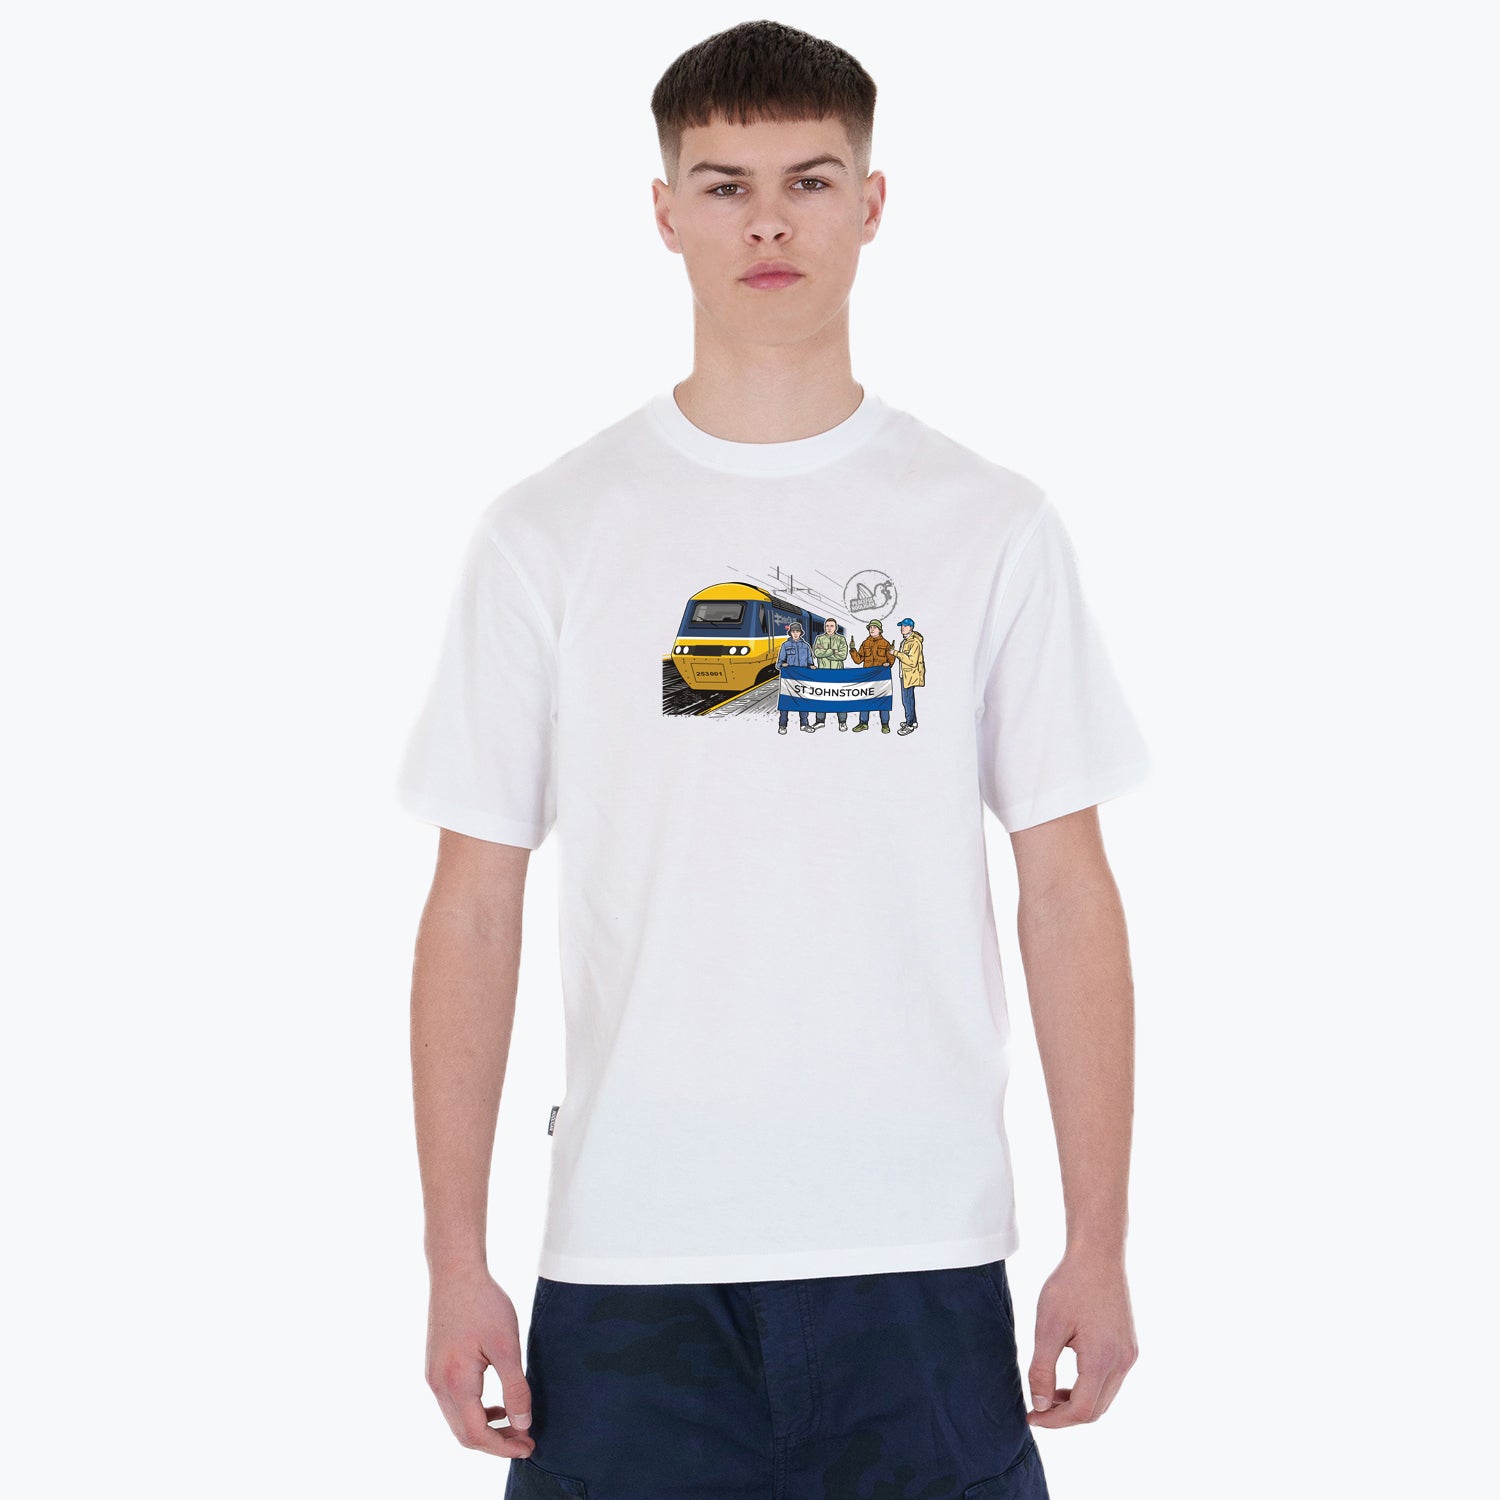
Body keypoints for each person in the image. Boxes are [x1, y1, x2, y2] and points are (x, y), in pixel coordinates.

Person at [396, 20, 1149, 1499]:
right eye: (724, 184)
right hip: (631, 1265)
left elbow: (1066, 892)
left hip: (921, 1252)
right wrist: (452, 1260)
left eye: (808, 181)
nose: (768, 223)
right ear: (663, 211)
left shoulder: (988, 523)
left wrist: (1101, 1244)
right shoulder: (550, 532)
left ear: (871, 203)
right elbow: (473, 905)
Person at [847, 616, 896, 732]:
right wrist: (853, 650)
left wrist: (889, 662)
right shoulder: (865, 643)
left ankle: (885, 724)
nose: (872, 629)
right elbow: (858, 660)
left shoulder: (886, 644)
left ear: (880, 630)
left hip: (881, 677)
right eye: (870, 627)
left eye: (874, 627)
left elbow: (890, 660)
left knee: (883, 699)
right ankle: (863, 723)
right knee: (865, 699)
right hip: (868, 677)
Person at [775, 619, 816, 734]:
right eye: (793, 631)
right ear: (790, 633)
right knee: (786, 703)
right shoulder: (785, 645)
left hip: (802, 680)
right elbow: (778, 664)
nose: (795, 633)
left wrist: (811, 666)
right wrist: (782, 664)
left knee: (803, 701)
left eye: (797, 631)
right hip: (788, 680)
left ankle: (804, 724)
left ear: (800, 633)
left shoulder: (806, 646)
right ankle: (782, 725)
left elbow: (810, 662)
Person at [894, 615, 925, 734]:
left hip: (910, 676)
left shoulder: (915, 642)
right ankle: (913, 721)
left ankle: (909, 725)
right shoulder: (905, 641)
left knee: (907, 701)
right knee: (909, 699)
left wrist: (896, 653)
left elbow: (912, 661)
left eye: (905, 626)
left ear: (911, 627)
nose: (902, 628)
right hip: (905, 675)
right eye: (902, 626)